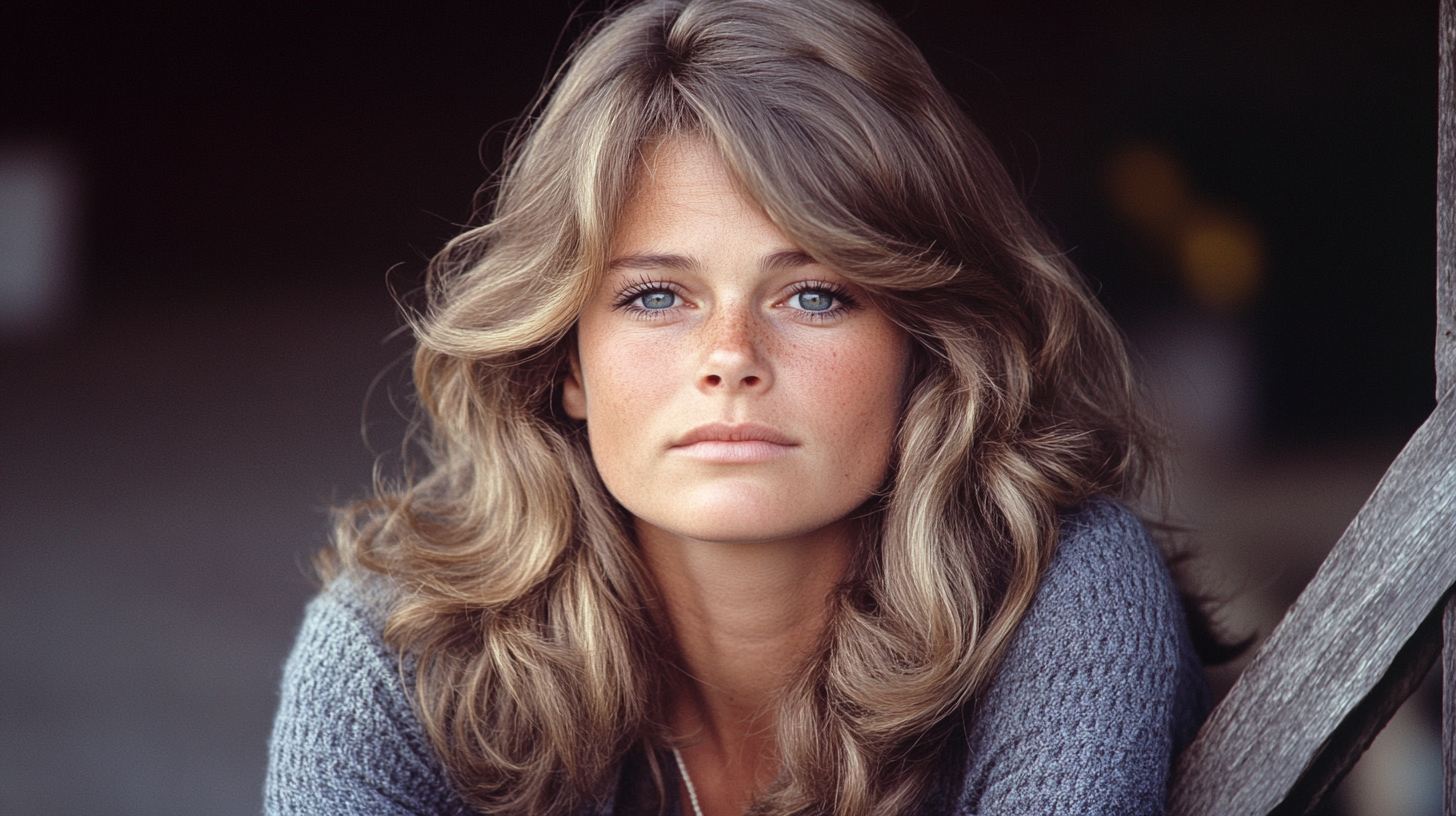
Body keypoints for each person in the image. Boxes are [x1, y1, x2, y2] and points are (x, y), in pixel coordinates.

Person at [266, 0, 1211, 813]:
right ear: (567, 362)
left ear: (926, 349)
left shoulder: (1061, 599)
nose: (730, 360)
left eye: (814, 295)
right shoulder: (395, 656)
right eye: (655, 297)